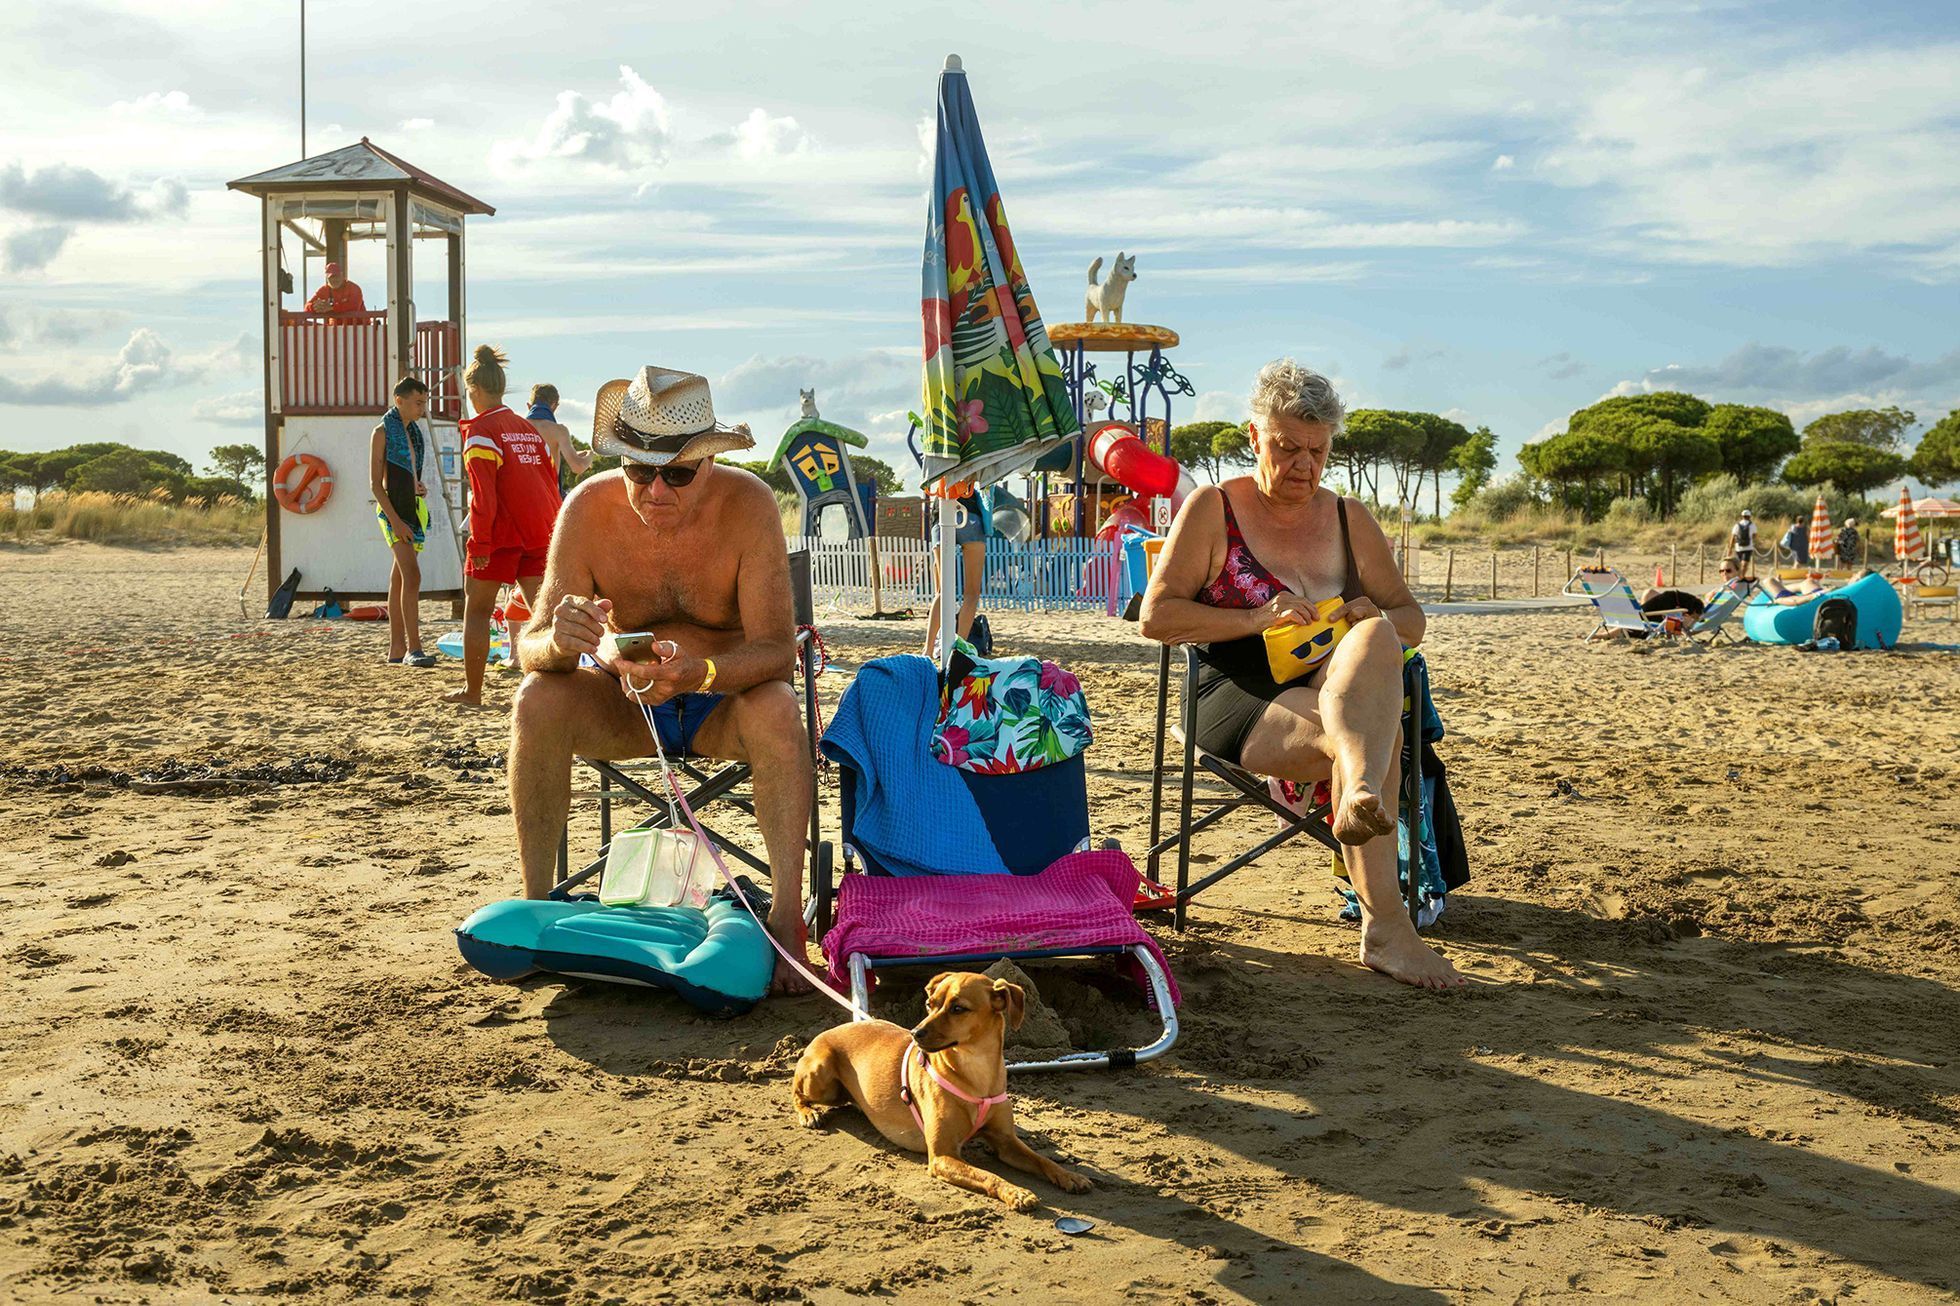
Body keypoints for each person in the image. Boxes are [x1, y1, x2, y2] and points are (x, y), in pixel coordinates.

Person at [1140, 358, 1462, 991]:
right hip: (1235, 692)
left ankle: (1363, 801)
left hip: (1335, 687)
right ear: (1254, 435)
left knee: (1376, 634)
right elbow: (1157, 617)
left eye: (1317, 451)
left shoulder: (1349, 518)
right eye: (1287, 447)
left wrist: (1374, 611)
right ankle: (1388, 926)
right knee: (1372, 739)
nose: (1303, 466)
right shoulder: (1211, 508)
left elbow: (1411, 618)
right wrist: (1258, 617)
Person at [507, 365, 813, 994]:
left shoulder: (749, 506)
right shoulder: (586, 509)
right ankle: (538, 907)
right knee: (536, 699)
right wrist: (560, 642)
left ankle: (787, 922)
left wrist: (699, 674)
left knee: (779, 706)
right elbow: (528, 647)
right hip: (628, 709)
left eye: (675, 473)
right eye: (639, 471)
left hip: (723, 706)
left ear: (707, 460)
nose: (655, 491)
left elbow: (778, 652)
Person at [448, 345, 562, 707]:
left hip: (502, 534)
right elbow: (548, 480)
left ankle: (473, 692)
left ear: (475, 391)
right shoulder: (526, 429)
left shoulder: (482, 429)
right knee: (543, 616)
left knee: (477, 610)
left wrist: (479, 544)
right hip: (542, 530)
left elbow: (484, 495)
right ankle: (555, 690)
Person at [369, 376, 436, 667]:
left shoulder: (415, 433)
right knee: (412, 575)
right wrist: (395, 521)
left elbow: (408, 476)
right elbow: (375, 484)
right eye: (418, 402)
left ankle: (396, 649)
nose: (422, 408)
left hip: (412, 509)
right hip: (392, 513)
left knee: (399, 579)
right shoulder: (382, 432)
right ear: (400, 400)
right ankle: (414, 648)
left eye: (425, 402)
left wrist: (417, 486)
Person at [924, 486, 990, 656]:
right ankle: (958, 649)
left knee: (942, 591)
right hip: (970, 511)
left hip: (941, 511)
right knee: (972, 593)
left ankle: (928, 649)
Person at [525, 383, 594, 494]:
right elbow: (577, 467)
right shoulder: (558, 431)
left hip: (518, 497)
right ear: (555, 406)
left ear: (529, 406)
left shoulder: (514, 427)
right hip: (547, 498)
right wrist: (590, 455)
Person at [1729, 509, 1758, 580]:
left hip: (1738, 548)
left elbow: (1733, 537)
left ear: (1742, 516)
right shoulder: (1752, 525)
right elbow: (1755, 536)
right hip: (1748, 547)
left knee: (1739, 564)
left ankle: (1739, 577)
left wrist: (1730, 548)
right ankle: (1741, 577)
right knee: (1745, 564)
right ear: (1749, 516)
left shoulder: (1737, 525)